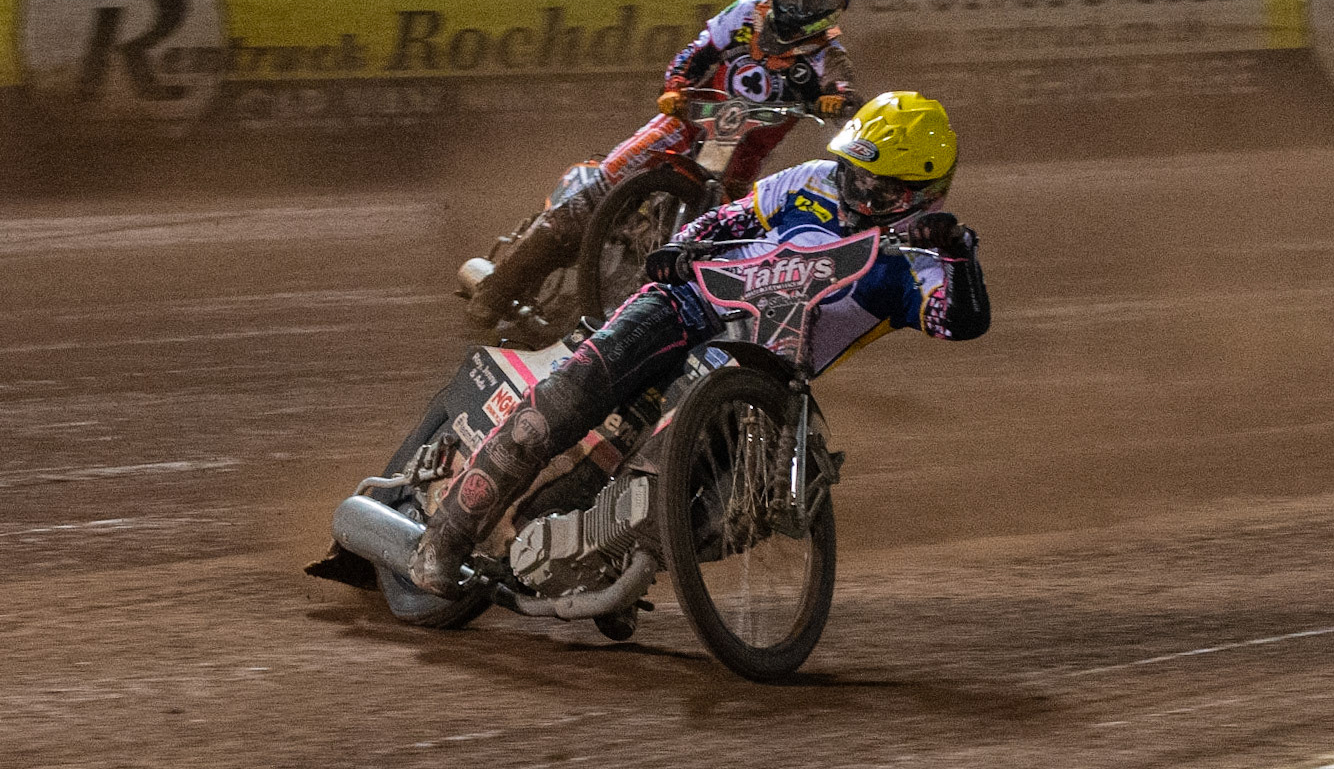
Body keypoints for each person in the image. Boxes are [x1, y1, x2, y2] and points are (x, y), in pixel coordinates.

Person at [412, 91, 991, 596]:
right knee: (563, 402)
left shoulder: (925, 263)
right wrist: (682, 245)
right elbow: (730, 219)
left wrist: (961, 253)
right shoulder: (811, 179)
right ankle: (444, 539)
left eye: (878, 188)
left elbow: (963, 321)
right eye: (853, 173)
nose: (857, 191)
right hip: (689, 303)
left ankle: (605, 556)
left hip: (760, 373)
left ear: (925, 194)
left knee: (729, 513)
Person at [464, 0, 863, 327]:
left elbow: (842, 92)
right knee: (597, 190)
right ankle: (498, 289)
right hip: (687, 124)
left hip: (741, 158)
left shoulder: (829, 56)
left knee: (718, 245)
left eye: (809, 0)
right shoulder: (746, 14)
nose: (794, 6)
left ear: (835, 3)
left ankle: (656, 323)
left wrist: (836, 101)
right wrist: (675, 86)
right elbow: (695, 52)